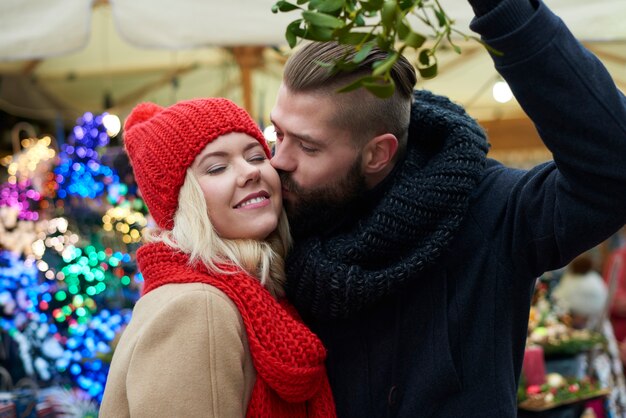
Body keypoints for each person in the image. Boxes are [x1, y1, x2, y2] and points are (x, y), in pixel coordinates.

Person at [268, 0, 626, 416]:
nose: (278, 159)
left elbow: (614, 171)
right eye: (278, 132)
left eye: (307, 146)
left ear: (376, 155)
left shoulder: (492, 212)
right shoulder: (272, 221)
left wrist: (506, 11)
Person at [99, 98, 335, 417]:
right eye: (217, 167)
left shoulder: (260, 293)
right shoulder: (197, 308)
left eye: (256, 156)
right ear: (183, 203)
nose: (250, 172)